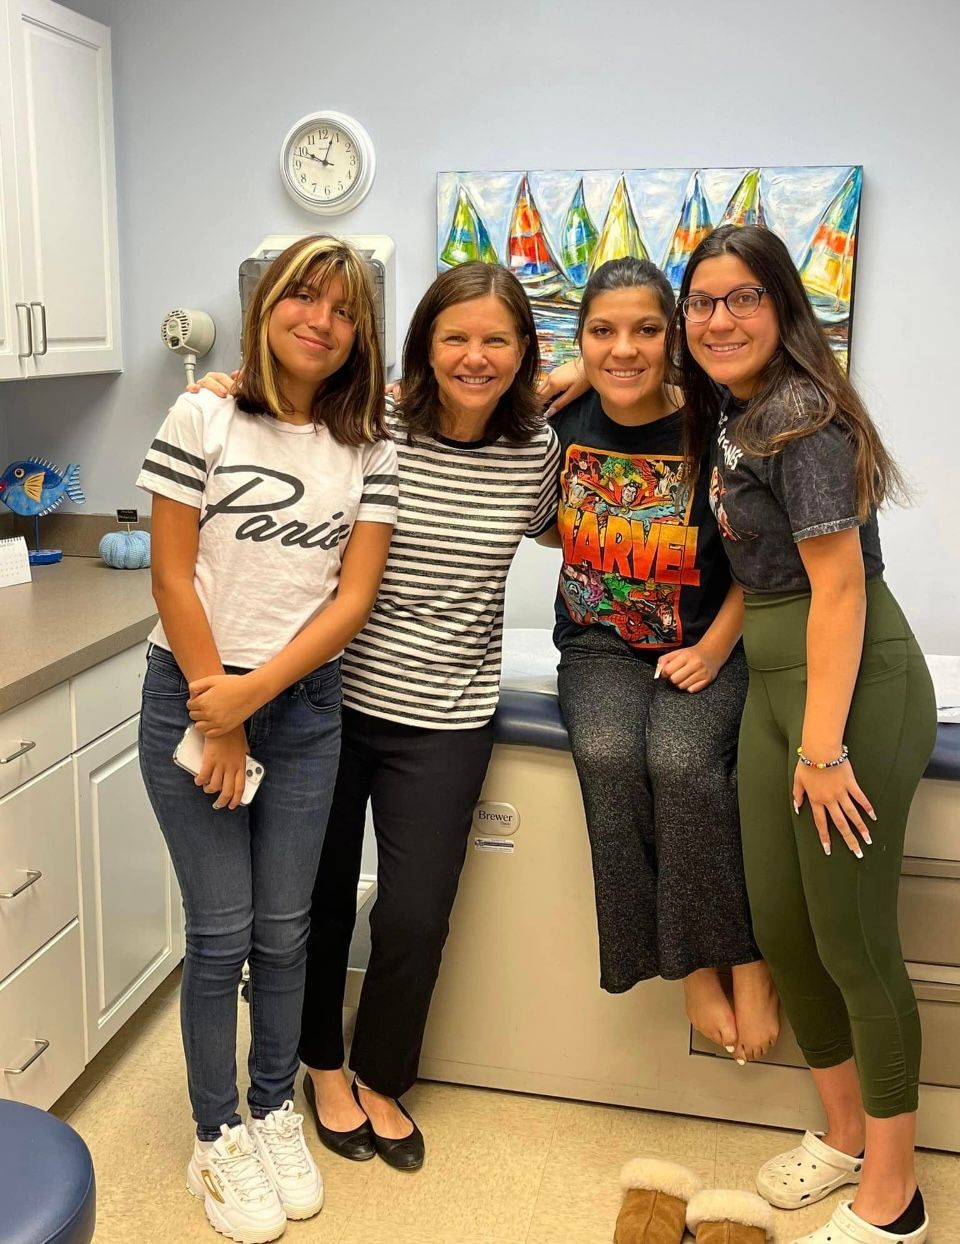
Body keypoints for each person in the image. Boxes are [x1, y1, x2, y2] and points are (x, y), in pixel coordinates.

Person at [194, 261, 560, 1172]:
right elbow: (279, 417)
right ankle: (320, 1063)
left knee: (415, 913)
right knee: (311, 901)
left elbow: (563, 512)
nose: (474, 358)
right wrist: (224, 383)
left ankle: (383, 1074)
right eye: (454, 337)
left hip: (448, 713)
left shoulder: (536, 451)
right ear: (421, 346)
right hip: (331, 700)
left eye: (496, 340)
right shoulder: (371, 424)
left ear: (523, 353)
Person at [666, 224, 937, 1244]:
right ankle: (845, 1132)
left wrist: (822, 748)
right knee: (781, 927)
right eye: (702, 302)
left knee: (856, 944)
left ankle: (895, 1197)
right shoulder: (733, 413)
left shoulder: (804, 422)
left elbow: (836, 592)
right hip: (781, 684)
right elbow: (762, 571)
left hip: (850, 690)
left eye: (742, 298)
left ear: (783, 308)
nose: (718, 318)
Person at [137, 235, 397, 1243]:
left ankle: (273, 1105)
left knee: (287, 928)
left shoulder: (368, 440)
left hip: (301, 706)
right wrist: (221, 706)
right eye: (304, 298)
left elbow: (354, 595)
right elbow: (170, 573)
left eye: (342, 309)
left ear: (357, 332)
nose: (320, 320)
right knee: (221, 933)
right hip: (194, 692)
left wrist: (254, 701)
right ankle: (217, 1133)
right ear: (268, 305)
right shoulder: (200, 413)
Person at [536, 257, 779, 1063]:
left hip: (709, 638)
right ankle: (684, 968)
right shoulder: (557, 423)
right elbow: (437, 402)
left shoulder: (716, 427)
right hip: (598, 645)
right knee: (606, 753)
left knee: (680, 761)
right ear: (580, 340)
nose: (624, 348)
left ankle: (742, 956)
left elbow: (763, 560)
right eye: (602, 331)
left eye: (646, 328)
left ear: (673, 335)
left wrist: (712, 650)